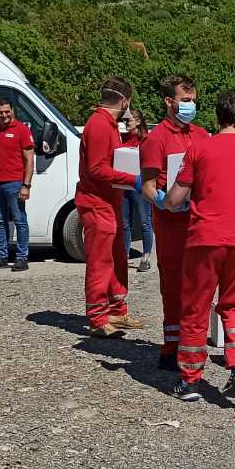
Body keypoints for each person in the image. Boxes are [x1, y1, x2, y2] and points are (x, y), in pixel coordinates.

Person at [165, 90, 235, 402]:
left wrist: (166, 201)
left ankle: (190, 381)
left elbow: (174, 200)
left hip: (205, 240)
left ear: (217, 117)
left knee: (196, 308)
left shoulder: (199, 149)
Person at [140, 73, 210, 368]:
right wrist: (165, 204)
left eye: (193, 101)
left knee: (199, 285)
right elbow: (147, 186)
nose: (190, 105)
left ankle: (193, 344)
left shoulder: (203, 136)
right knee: (172, 285)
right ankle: (171, 346)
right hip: (170, 223)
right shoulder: (156, 139)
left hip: (199, 222)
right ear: (169, 102)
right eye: (185, 101)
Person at [76, 77, 146, 338]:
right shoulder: (99, 125)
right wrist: (133, 180)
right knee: (100, 261)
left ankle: (116, 309)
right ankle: (97, 317)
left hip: (109, 202)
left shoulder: (107, 124)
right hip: (97, 203)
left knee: (117, 258)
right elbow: (97, 169)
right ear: (125, 100)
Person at [0, 98, 35, 271]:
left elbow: (29, 159)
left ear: (12, 110)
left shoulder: (22, 130)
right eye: (0, 112)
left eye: (7, 111)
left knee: (20, 220)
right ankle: (2, 256)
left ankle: (22, 258)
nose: (4, 115)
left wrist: (26, 185)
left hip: (15, 183)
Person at [118, 107, 155, 272]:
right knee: (124, 223)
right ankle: (124, 255)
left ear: (138, 122)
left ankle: (146, 256)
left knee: (145, 221)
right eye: (125, 120)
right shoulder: (122, 138)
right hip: (124, 185)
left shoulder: (147, 140)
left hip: (140, 186)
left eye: (128, 120)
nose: (125, 123)